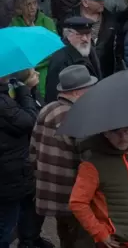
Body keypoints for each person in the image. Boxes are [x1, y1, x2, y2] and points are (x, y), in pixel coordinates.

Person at [30, 65, 98, 248]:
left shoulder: (48, 109)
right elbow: (89, 161)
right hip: (74, 198)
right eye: (88, 89)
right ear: (77, 92)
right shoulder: (78, 116)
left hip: (51, 196)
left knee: (65, 238)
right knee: (82, 241)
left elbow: (33, 150)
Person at [68, 127, 128, 248]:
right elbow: (77, 202)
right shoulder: (92, 165)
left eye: (126, 131)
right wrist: (99, 232)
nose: (123, 137)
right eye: (117, 132)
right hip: (115, 242)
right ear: (106, 133)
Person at [0, 68, 50, 248]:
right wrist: (25, 90)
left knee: (18, 214)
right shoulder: (4, 101)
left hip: (16, 168)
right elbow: (30, 121)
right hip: (9, 173)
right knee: (5, 225)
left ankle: (29, 240)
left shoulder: (6, 93)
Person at [10, 0, 57, 99]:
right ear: (20, 7)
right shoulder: (13, 27)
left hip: (48, 73)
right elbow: (15, 57)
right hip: (24, 79)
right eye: (28, 4)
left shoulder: (47, 22)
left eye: (35, 3)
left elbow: (53, 51)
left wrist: (32, 62)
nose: (32, 8)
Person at [46, 17, 102, 104]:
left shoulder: (90, 52)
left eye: (87, 34)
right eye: (79, 35)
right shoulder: (60, 60)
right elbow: (53, 96)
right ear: (68, 35)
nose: (85, 39)